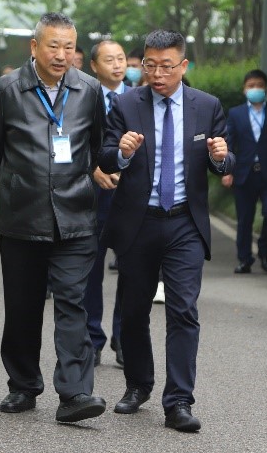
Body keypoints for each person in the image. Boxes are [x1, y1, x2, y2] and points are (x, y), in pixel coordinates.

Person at [98, 29, 233, 433]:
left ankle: (179, 401)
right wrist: (122, 152)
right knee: (134, 310)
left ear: (183, 65)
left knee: (183, 310)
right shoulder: (126, 104)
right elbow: (105, 156)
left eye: (166, 66)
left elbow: (225, 161)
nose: (157, 74)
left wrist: (221, 158)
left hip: (184, 223)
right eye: (150, 65)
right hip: (139, 222)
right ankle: (138, 385)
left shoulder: (206, 106)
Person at [0, 12, 107, 424]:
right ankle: (23, 385)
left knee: (72, 302)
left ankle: (75, 393)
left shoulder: (89, 90)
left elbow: (96, 145)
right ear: (34, 47)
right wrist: (16, 185)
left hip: (75, 216)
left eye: (69, 47)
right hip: (23, 218)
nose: (61, 55)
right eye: (53, 46)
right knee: (23, 307)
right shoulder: (6, 90)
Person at [222, 69, 267, 274]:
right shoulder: (236, 114)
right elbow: (229, 144)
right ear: (244, 89)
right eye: (251, 86)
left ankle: (265, 251)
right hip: (244, 173)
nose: (255, 89)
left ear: (265, 88)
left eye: (259, 85)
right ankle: (244, 259)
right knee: (244, 219)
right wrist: (227, 171)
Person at [85, 39, 128, 367]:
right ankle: (92, 338)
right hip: (91, 197)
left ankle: (123, 338)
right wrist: (93, 169)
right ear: (94, 66)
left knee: (131, 272)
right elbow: (71, 142)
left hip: (130, 198)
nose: (117, 65)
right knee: (90, 272)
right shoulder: (83, 98)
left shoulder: (141, 98)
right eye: (109, 60)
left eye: (121, 58)